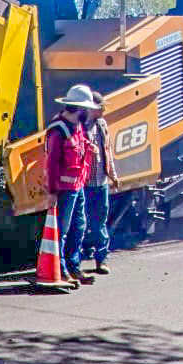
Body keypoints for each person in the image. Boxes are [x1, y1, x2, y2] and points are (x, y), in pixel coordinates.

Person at [45, 84, 99, 285]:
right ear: (79, 108)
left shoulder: (77, 126)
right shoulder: (58, 130)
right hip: (65, 191)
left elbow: (79, 148)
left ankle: (74, 266)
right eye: (86, 108)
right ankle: (61, 270)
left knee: (79, 226)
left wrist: (88, 146)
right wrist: (51, 192)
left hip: (78, 186)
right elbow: (51, 164)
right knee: (63, 230)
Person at [81, 94, 119, 275]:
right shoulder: (79, 126)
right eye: (101, 107)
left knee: (100, 221)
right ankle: (80, 257)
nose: (104, 110)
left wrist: (113, 174)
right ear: (90, 108)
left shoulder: (102, 125)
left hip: (101, 182)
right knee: (81, 222)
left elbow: (108, 151)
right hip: (84, 183)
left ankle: (101, 259)